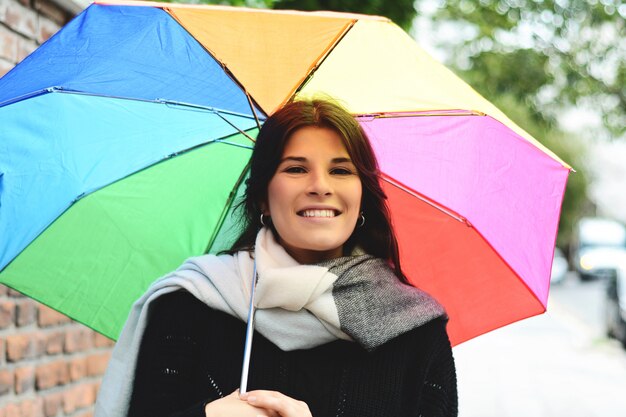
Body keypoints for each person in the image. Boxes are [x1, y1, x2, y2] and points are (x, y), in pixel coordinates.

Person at [95, 98, 458, 417]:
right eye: (296, 169)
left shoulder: (413, 330)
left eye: (341, 170)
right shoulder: (189, 305)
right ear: (262, 199)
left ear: (362, 196)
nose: (320, 185)